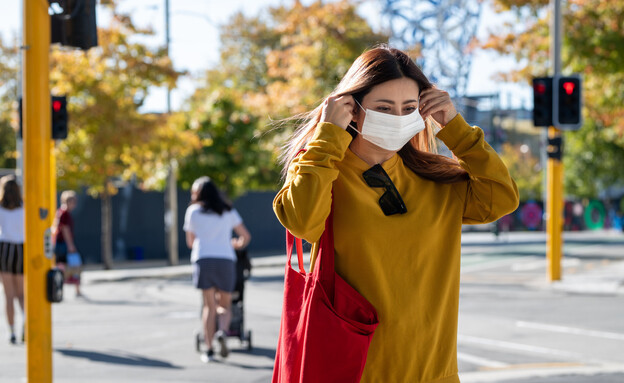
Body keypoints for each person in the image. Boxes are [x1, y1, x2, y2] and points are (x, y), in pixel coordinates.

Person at [273, 45, 519, 383]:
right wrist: (328, 137)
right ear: (353, 111)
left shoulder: (436, 181)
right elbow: (302, 221)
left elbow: (501, 199)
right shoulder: (323, 170)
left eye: (409, 108)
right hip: (354, 373)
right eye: (384, 108)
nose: (398, 118)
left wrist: (455, 128)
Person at [184, 176, 251, 363]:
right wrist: (235, 244)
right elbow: (245, 236)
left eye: (194, 191)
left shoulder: (193, 212)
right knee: (225, 305)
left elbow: (190, 242)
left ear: (199, 194)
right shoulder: (228, 211)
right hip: (225, 261)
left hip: (203, 260)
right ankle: (222, 332)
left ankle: (209, 349)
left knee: (209, 307)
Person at [0, 175, 25, 344]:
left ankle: (12, 331)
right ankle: (26, 321)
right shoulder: (25, 207)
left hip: (5, 249)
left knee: (8, 295)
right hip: (22, 249)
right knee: (22, 294)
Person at [52, 190, 82, 297]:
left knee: (65, 267)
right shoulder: (64, 214)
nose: (74, 204)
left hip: (61, 243)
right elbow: (65, 230)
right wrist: (70, 245)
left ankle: (74, 290)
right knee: (67, 267)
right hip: (63, 244)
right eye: (72, 202)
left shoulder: (60, 212)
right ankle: (69, 290)